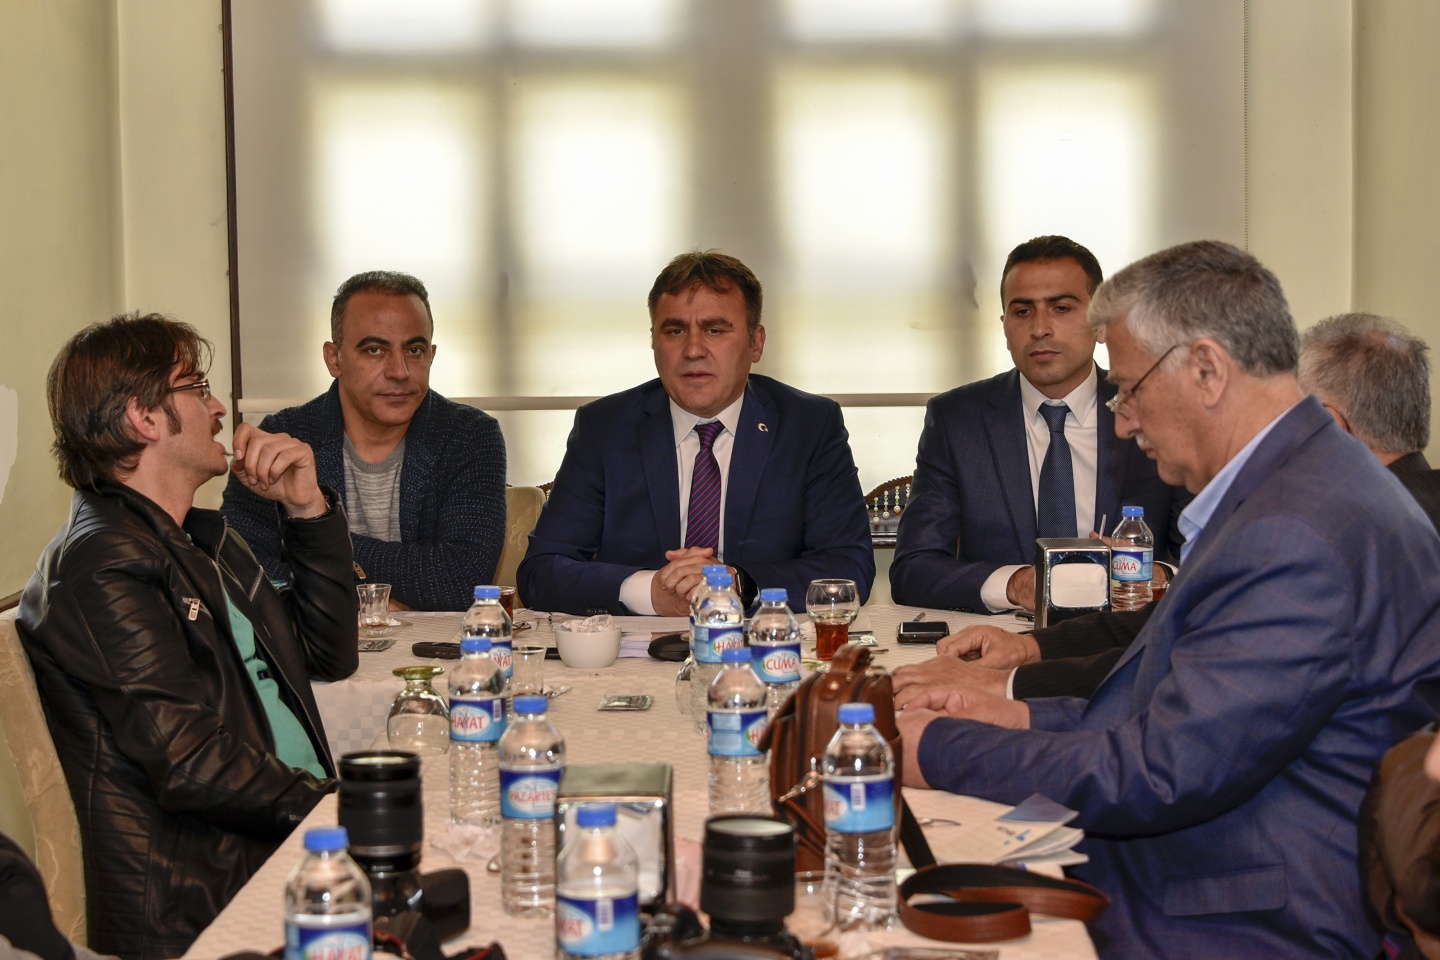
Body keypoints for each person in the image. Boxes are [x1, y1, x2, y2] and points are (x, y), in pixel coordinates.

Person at [896, 241, 1440, 957]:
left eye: (1129, 390)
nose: (1122, 420)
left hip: (1244, 910)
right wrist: (1014, 714)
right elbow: (1179, 709)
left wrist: (938, 748)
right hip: (1226, 856)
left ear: (1207, 370)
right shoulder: (1296, 483)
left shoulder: (1292, 530)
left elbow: (1161, 771)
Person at [18, 314, 357, 960]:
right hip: (209, 894)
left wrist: (306, 509)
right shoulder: (101, 563)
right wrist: (338, 809)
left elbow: (327, 654)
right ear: (143, 417)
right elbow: (188, 760)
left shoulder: (199, 539)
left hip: (278, 848)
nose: (217, 408)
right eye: (197, 388)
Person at [895, 311, 1440, 703]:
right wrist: (1031, 651)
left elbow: (1186, 695)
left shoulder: (1318, 539)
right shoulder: (1395, 514)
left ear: (1331, 427)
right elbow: (1178, 624)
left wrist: (1007, 693)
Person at [517, 250, 874, 616]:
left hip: (759, 640)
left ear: (755, 343)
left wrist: (736, 583)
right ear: (654, 342)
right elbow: (540, 572)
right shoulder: (605, 428)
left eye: (714, 330)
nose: (692, 350)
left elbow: (850, 568)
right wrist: (649, 591)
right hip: (638, 644)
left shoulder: (809, 426)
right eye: (674, 331)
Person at [890, 235, 1188, 614]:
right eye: (1022, 311)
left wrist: (1153, 576)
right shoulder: (957, 420)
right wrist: (1016, 584)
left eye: (1061, 308)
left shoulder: (1157, 407)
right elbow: (913, 569)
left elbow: (1214, 553)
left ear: (1100, 324)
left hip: (1129, 635)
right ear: (1004, 326)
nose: (1040, 328)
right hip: (1006, 636)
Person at [222, 270, 506, 612]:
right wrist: (367, 604)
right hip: (316, 646)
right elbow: (238, 568)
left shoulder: (470, 436)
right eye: (375, 350)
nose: (399, 371)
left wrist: (317, 533)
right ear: (334, 359)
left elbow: (461, 580)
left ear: (431, 355)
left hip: (436, 646)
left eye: (414, 350)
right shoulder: (283, 437)